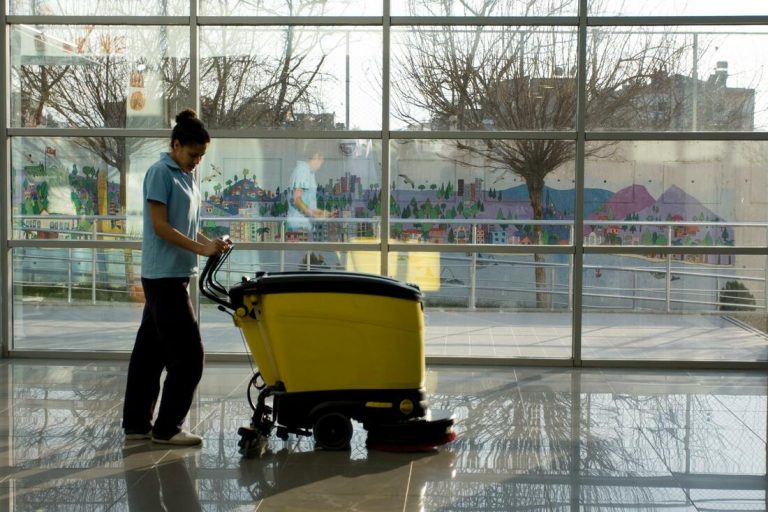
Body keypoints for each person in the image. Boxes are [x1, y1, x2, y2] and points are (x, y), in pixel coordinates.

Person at [122, 109, 231, 446]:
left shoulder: (186, 176)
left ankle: (137, 425)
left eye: (201, 156)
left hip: (174, 275)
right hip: (163, 276)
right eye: (193, 153)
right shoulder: (160, 173)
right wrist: (200, 251)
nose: (197, 161)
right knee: (189, 357)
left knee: (149, 355)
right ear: (176, 145)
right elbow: (160, 226)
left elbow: (186, 226)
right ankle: (167, 428)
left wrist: (209, 243)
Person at [286, 147, 334, 238]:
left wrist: (321, 213)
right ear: (315, 157)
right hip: (299, 226)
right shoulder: (303, 170)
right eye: (321, 162)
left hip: (303, 226)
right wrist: (313, 214)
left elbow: (307, 203)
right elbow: (297, 199)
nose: (320, 166)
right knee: (301, 252)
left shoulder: (309, 172)